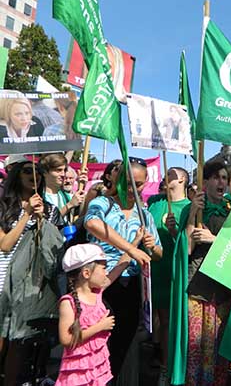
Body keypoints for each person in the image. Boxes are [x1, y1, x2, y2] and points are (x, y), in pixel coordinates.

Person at [84, 157, 160, 383]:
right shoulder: (103, 203)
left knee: (126, 344)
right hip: (101, 283)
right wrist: (131, 248)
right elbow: (92, 224)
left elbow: (158, 253)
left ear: (146, 182)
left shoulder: (144, 214)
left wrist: (150, 246)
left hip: (132, 284)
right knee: (98, 341)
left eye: (137, 184)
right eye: (127, 182)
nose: (131, 189)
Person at [0, 160, 64, 384]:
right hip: (3, 279)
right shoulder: (3, 205)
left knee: (19, 342)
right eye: (28, 171)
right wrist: (26, 215)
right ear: (17, 175)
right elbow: (5, 245)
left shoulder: (51, 210)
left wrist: (41, 219)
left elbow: (53, 249)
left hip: (30, 284)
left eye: (38, 172)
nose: (34, 175)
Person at [180, 160, 231, 385]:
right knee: (195, 349)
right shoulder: (192, 209)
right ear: (205, 182)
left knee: (219, 351)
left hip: (222, 290)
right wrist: (192, 215)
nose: (222, 182)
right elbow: (186, 250)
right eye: (216, 177)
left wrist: (214, 239)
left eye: (225, 178)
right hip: (197, 288)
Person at [56, 243, 132, 386]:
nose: (106, 272)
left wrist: (132, 246)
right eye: (103, 268)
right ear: (86, 273)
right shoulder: (68, 303)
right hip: (78, 374)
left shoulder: (97, 293)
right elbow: (66, 339)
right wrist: (100, 326)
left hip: (99, 370)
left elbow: (118, 268)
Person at [147, 167, 189, 385]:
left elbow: (190, 246)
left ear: (182, 179)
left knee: (172, 322)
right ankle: (161, 365)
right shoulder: (154, 201)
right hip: (152, 272)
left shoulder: (190, 208)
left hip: (174, 273)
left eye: (171, 174)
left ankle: (173, 368)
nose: (166, 175)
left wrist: (174, 233)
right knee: (156, 322)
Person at [40, 154, 86, 220]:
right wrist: (69, 205)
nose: (63, 174)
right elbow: (48, 222)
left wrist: (81, 186)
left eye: (64, 170)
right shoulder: (39, 196)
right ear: (45, 172)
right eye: (58, 170)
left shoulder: (65, 196)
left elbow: (78, 214)